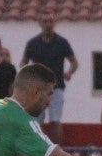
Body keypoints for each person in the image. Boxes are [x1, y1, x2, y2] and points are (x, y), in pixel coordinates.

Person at [20, 15, 77, 145]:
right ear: (40, 23)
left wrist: (69, 72)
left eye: (50, 21)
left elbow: (74, 62)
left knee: (55, 120)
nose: (47, 24)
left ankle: (57, 150)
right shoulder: (32, 43)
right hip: (37, 89)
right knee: (36, 121)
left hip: (56, 87)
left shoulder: (62, 42)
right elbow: (23, 62)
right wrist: (28, 75)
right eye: (45, 21)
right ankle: (38, 150)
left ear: (54, 23)